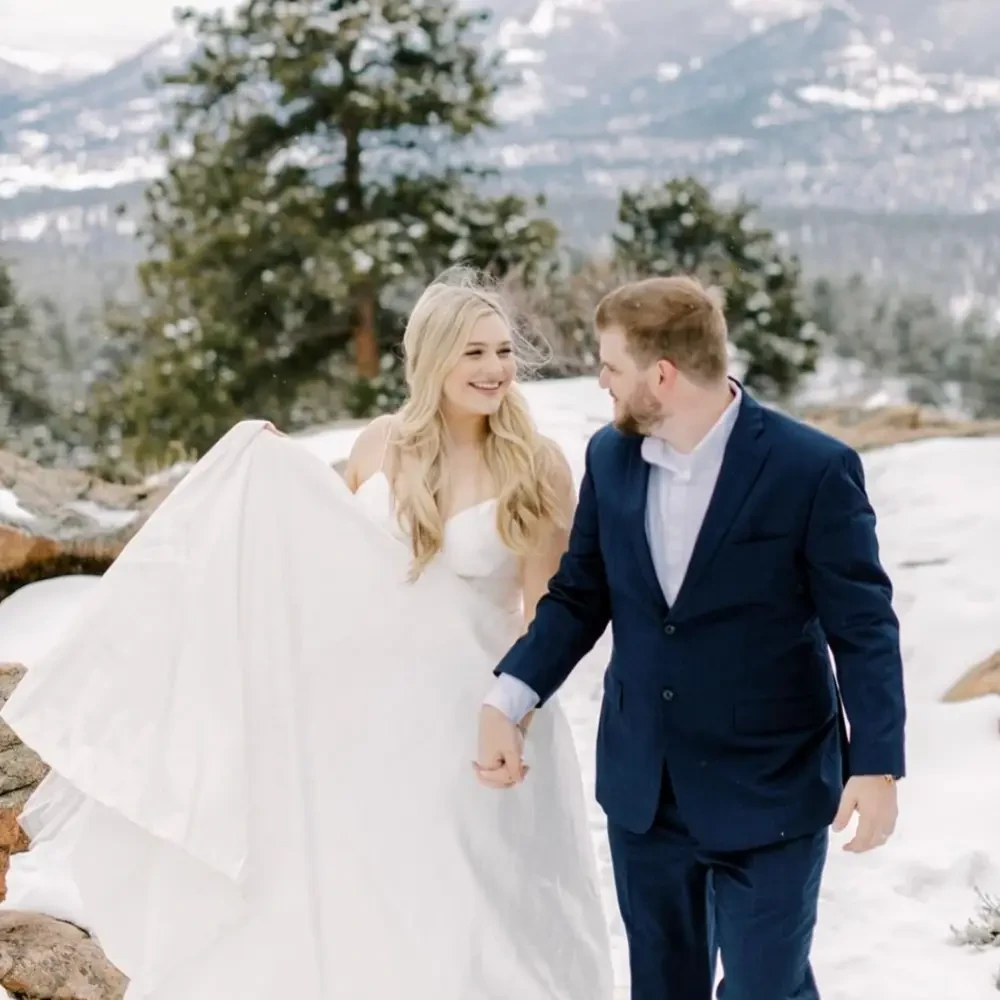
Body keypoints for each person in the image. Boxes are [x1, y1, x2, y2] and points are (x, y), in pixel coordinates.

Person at [1, 269, 613, 1000]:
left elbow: (548, 615)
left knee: (479, 922)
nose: (494, 369)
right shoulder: (382, 445)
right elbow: (338, 573)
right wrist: (275, 477)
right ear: (430, 358)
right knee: (374, 909)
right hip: (375, 722)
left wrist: (516, 715)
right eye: (472, 352)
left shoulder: (535, 464)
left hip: (480, 722)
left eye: (503, 352)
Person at [475, 275, 907, 1000]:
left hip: (772, 788)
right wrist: (508, 695)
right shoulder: (609, 461)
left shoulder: (812, 470)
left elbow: (863, 627)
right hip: (648, 789)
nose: (603, 383)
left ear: (662, 376)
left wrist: (878, 764)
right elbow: (580, 597)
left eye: (611, 367)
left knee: (765, 990)